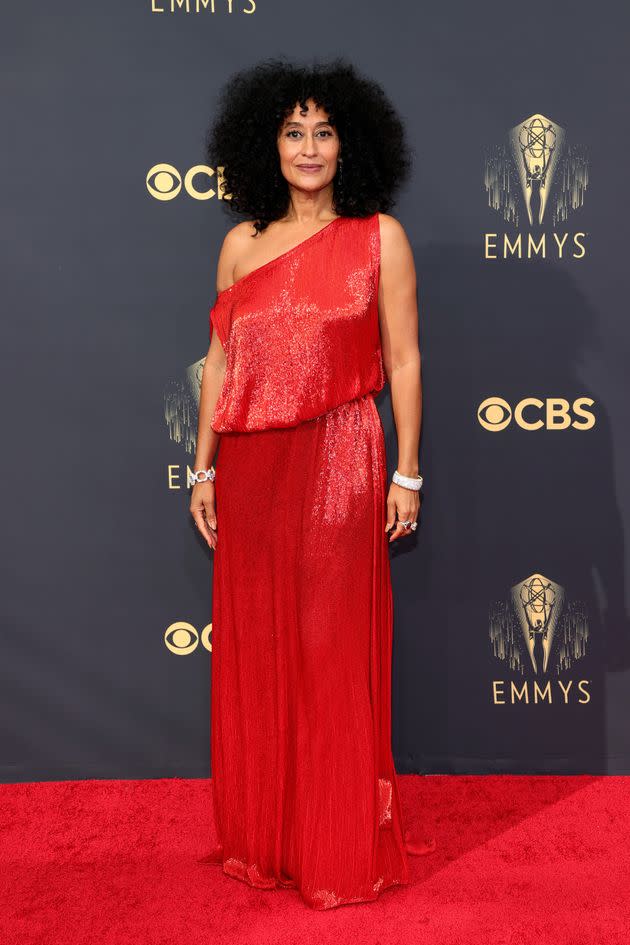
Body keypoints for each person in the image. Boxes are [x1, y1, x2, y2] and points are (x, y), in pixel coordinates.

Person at [190, 57, 434, 911]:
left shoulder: (380, 238)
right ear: (268, 144)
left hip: (342, 459)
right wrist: (204, 463)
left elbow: (402, 357)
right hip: (252, 466)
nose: (308, 146)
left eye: (324, 131)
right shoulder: (241, 244)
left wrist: (406, 467)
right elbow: (224, 360)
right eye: (293, 132)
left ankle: (336, 847)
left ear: (349, 144)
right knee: (260, 648)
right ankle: (271, 841)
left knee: (329, 654)